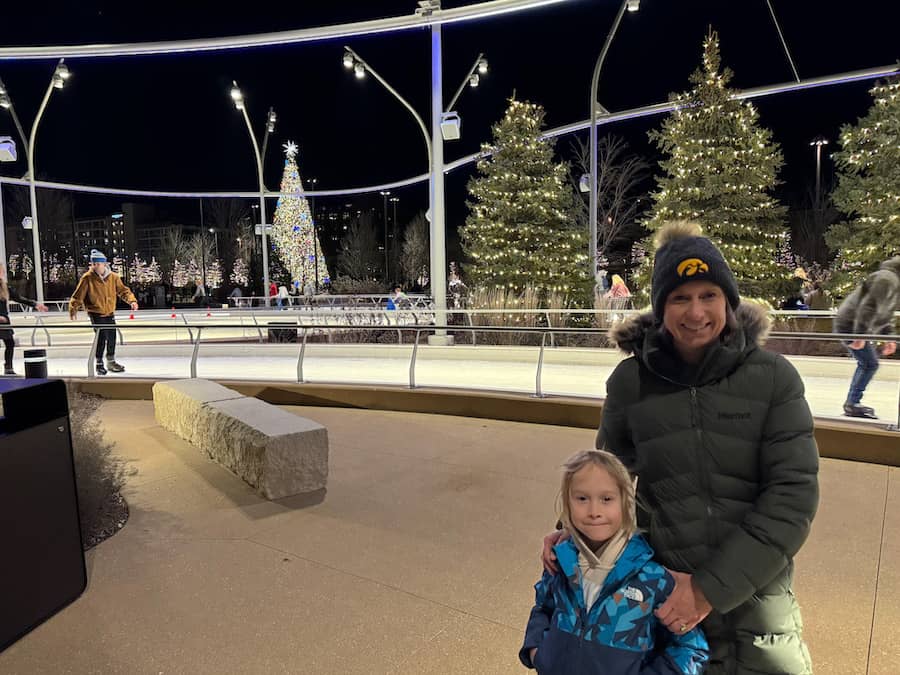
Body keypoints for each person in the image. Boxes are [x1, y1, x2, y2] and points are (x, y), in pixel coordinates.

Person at [541, 221, 819, 674]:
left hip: (758, 598)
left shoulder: (772, 378)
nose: (696, 312)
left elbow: (793, 498)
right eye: (680, 298)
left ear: (728, 301)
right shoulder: (631, 383)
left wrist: (709, 588)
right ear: (660, 307)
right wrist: (568, 533)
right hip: (665, 594)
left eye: (709, 295)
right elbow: (607, 479)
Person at [521, 449, 708, 674]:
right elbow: (543, 606)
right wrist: (537, 651)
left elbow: (692, 646)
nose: (594, 511)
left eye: (606, 499)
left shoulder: (651, 578)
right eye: (582, 498)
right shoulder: (560, 563)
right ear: (567, 505)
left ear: (625, 504)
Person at [833, 255, 900, 419]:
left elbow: (885, 314)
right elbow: (868, 307)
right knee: (869, 363)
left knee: (868, 363)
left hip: (854, 324)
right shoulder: (887, 279)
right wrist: (860, 334)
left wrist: (889, 337)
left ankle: (852, 403)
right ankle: (852, 403)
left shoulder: (892, 281)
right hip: (850, 324)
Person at [69, 249, 139, 375]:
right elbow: (78, 295)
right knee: (101, 337)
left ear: (104, 264)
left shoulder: (113, 277)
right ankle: (99, 363)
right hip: (95, 312)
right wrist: (73, 308)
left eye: (98, 264)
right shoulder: (87, 278)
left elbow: (123, 291)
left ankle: (111, 361)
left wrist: (132, 301)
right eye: (93, 264)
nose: (95, 266)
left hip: (109, 312)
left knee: (112, 336)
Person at [0, 263, 48, 375]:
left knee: (10, 343)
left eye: (2, 271)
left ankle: (8, 367)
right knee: (9, 342)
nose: (2, 273)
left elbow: (18, 298)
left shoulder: (4, 287)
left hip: (4, 321)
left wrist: (35, 305)